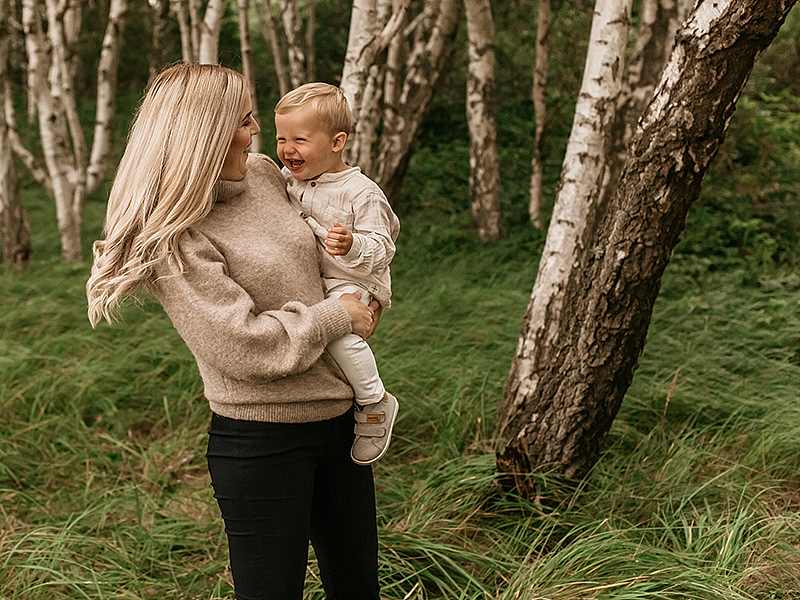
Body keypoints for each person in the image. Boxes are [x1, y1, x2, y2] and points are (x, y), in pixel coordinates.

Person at [85, 63, 381, 600]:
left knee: (358, 585)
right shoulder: (175, 238)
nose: (256, 132)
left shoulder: (268, 176)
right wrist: (338, 317)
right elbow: (242, 346)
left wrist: (366, 289)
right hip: (262, 442)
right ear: (206, 131)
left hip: (340, 420)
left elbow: (334, 247)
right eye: (244, 120)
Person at [274, 82, 400, 465]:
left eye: (300, 139)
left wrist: (352, 245)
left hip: (355, 279)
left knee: (338, 337)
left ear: (337, 141)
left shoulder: (360, 193)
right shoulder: (287, 179)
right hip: (315, 277)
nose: (287, 149)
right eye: (281, 138)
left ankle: (374, 400)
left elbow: (383, 247)